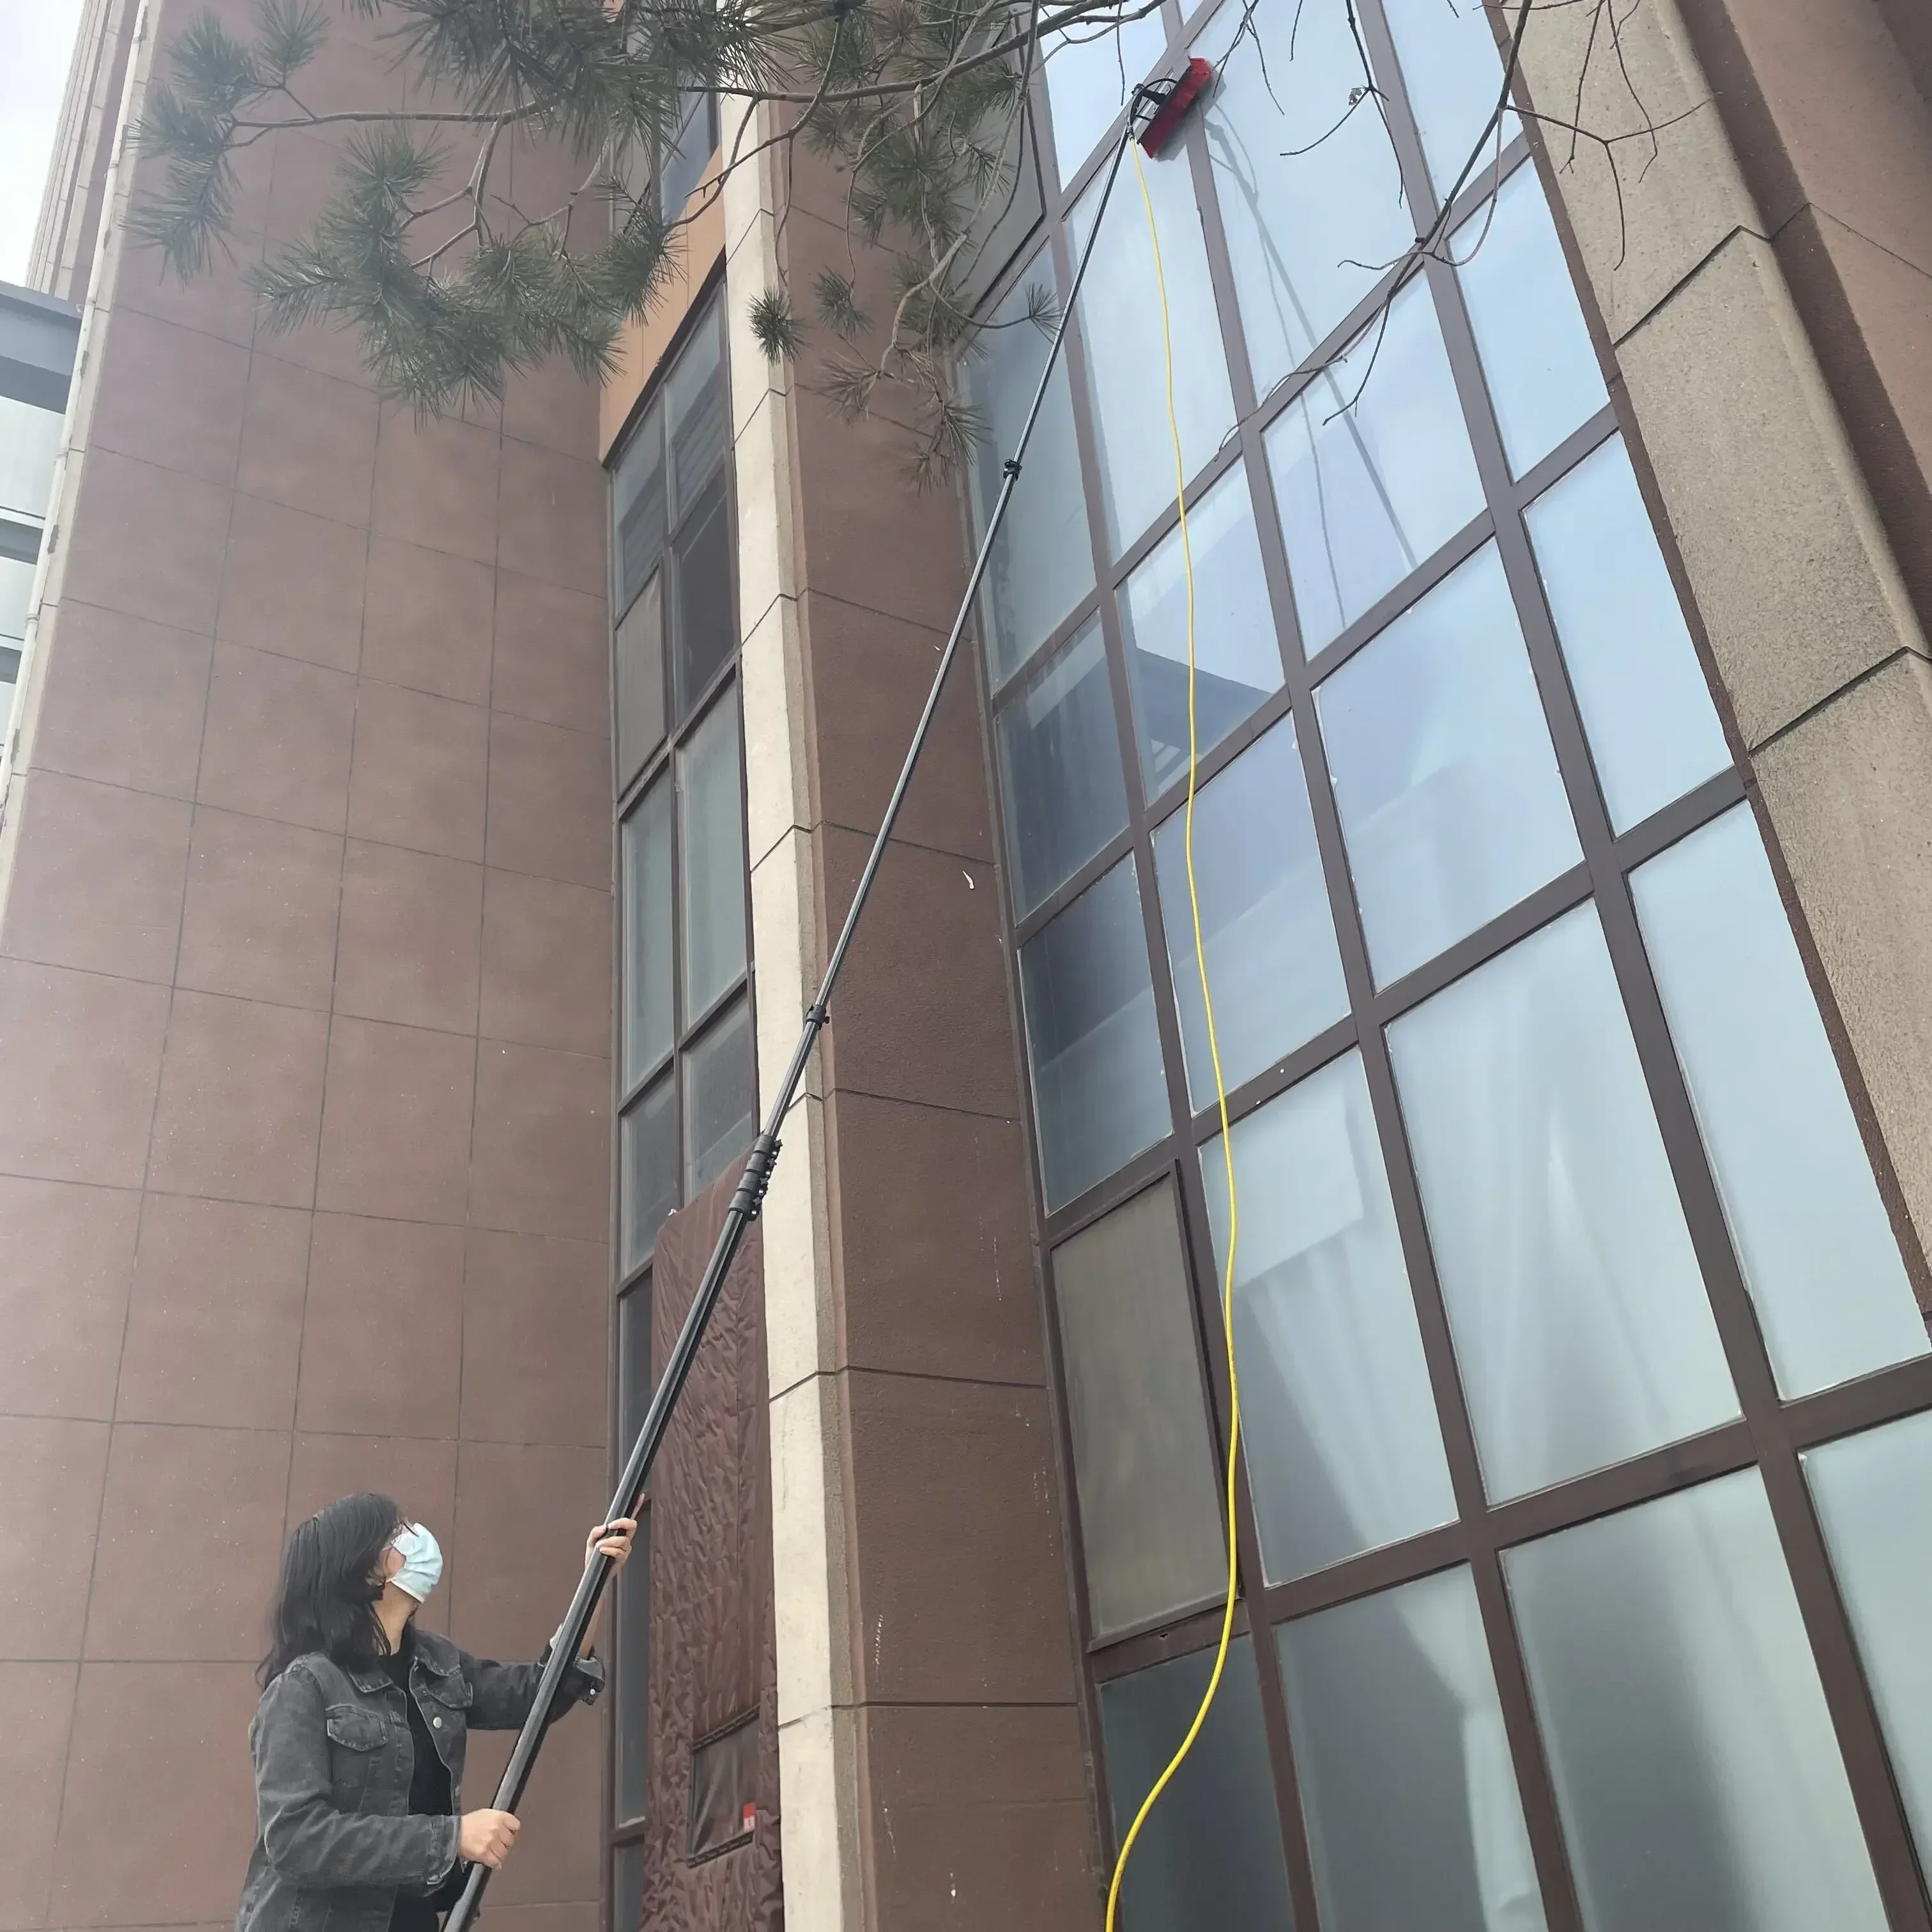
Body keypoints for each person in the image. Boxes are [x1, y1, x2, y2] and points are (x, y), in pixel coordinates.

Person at [234, 1492, 636, 1932]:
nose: (416, 1538)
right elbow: (297, 1840)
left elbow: (538, 1695)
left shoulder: (434, 1664)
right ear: (362, 1569)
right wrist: (451, 1837)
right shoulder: (305, 1687)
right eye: (396, 1532)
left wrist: (594, 1583)